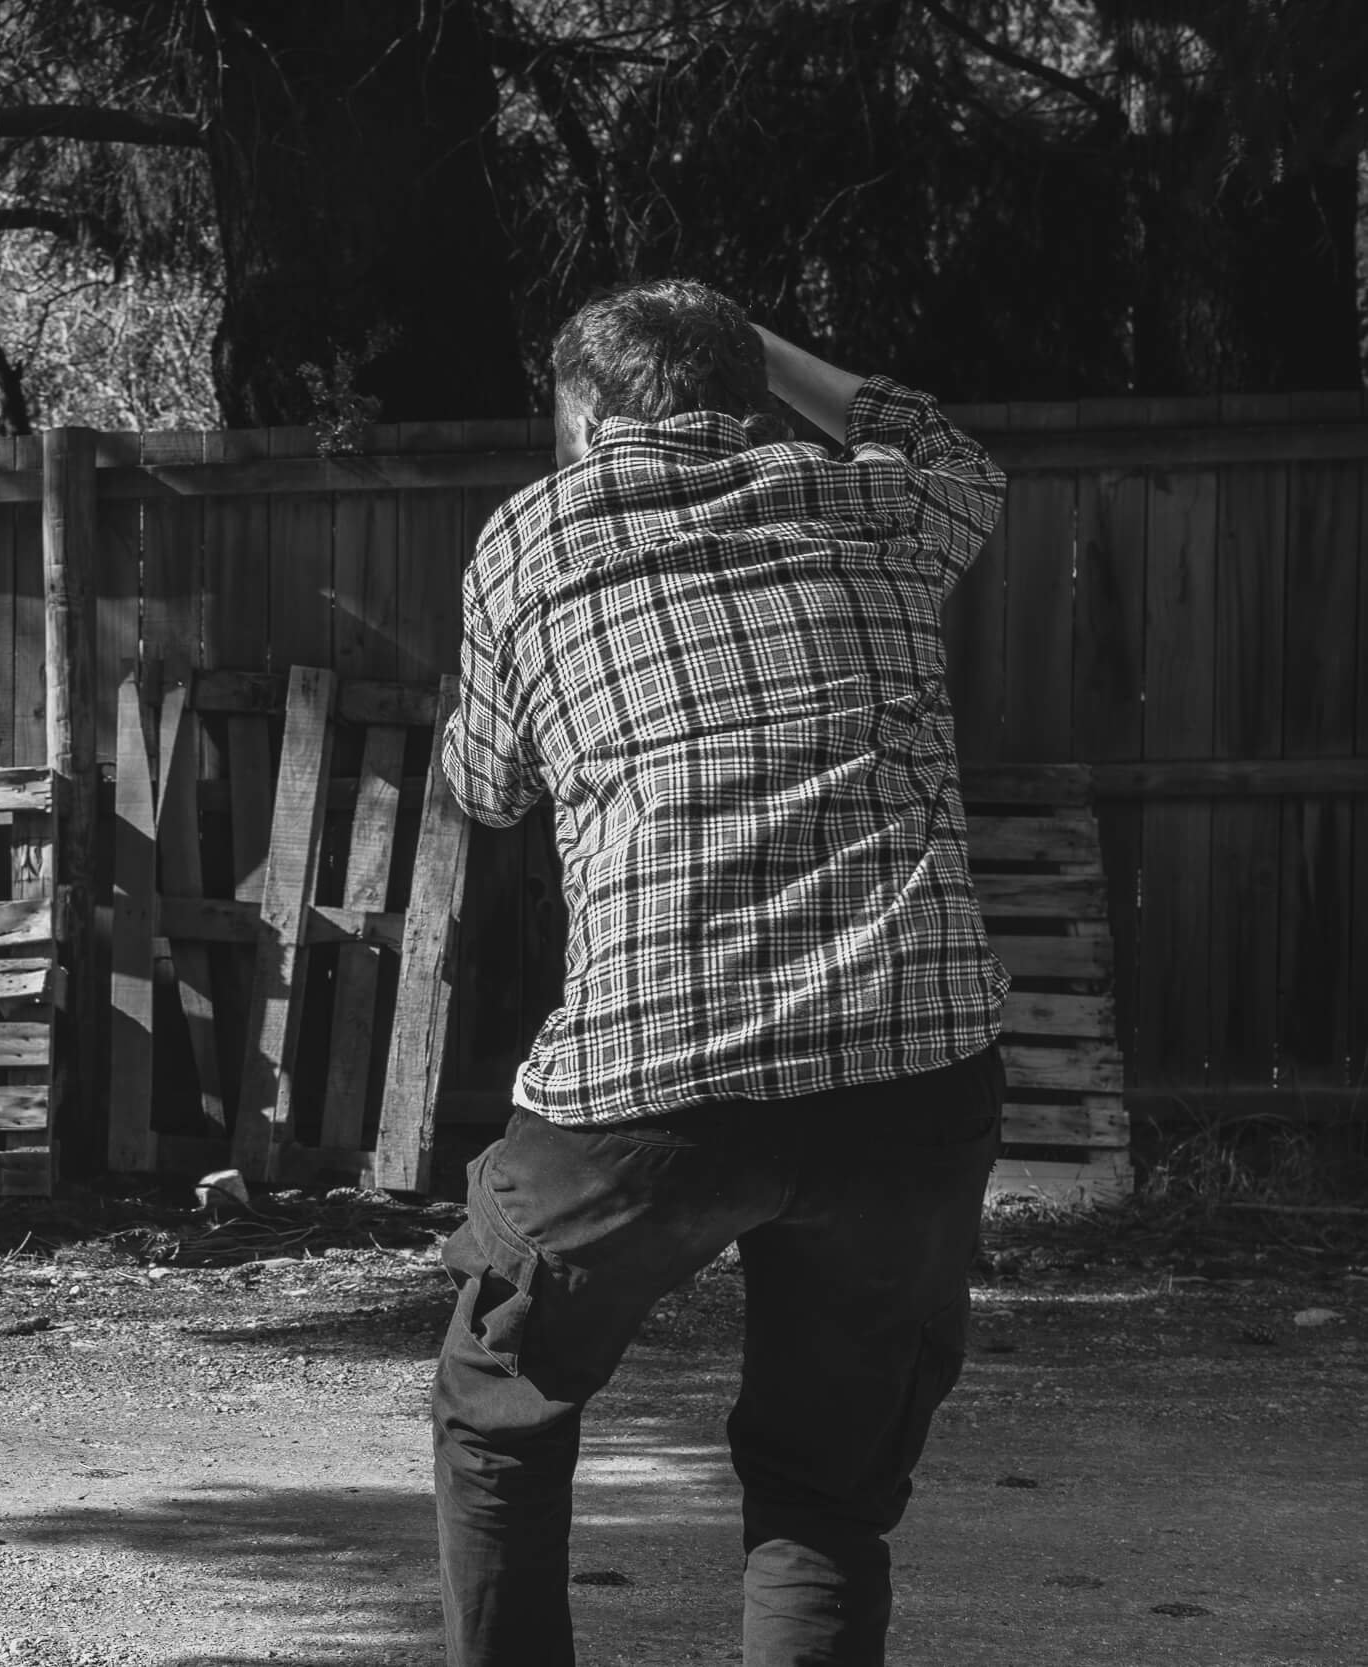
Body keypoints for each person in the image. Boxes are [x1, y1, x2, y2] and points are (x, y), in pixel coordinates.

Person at [432, 279, 1011, 1667]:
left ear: (579, 411)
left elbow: (487, 788)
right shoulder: (874, 502)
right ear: (749, 393)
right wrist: (767, 353)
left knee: (501, 1397)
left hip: (651, 1080)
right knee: (824, 1485)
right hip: (908, 1070)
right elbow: (962, 457)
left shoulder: (530, 534)